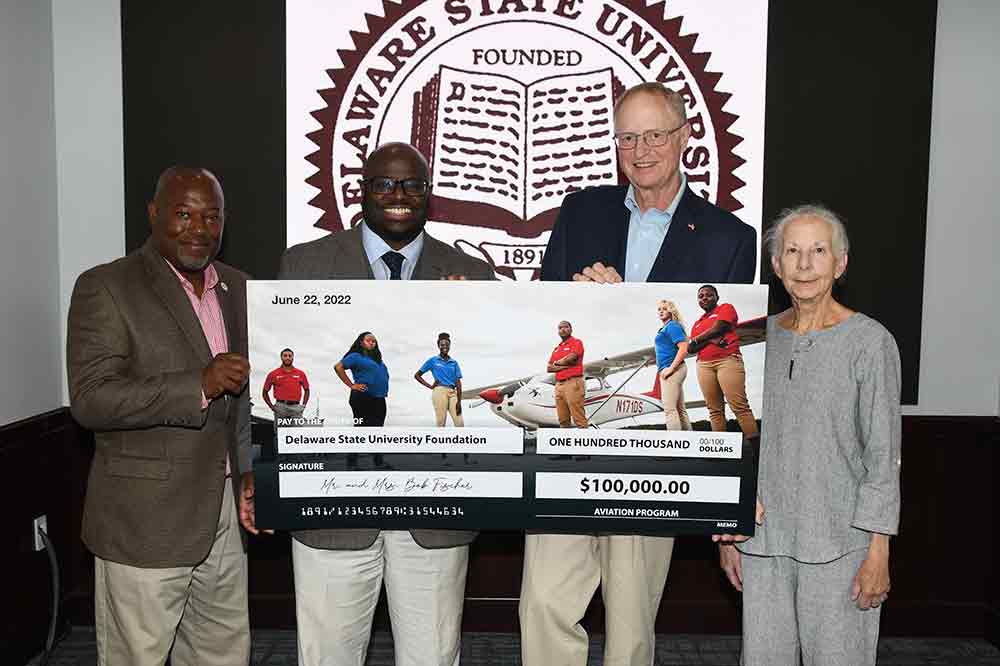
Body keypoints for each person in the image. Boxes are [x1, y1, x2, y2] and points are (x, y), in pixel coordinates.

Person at [242, 142, 493, 666]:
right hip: (330, 508)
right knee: (328, 655)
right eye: (384, 184)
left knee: (432, 657)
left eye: (412, 185)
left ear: (429, 195)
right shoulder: (303, 265)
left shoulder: (471, 274)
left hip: (435, 509)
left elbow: (482, 380)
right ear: (363, 191)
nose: (398, 196)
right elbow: (271, 369)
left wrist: (473, 312)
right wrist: (259, 472)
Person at [66, 167, 252, 665]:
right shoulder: (106, 286)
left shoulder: (237, 287)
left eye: (211, 216)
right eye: (184, 214)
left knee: (223, 655)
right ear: (154, 214)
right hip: (143, 522)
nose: (199, 228)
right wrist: (197, 384)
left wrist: (250, 474)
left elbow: (242, 404)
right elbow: (91, 399)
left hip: (223, 517)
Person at [715, 205, 901, 666]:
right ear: (775, 266)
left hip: (842, 547)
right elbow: (737, 442)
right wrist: (729, 526)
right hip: (762, 543)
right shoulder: (754, 341)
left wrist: (879, 550)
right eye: (792, 251)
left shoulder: (870, 342)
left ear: (840, 263)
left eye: (818, 251)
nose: (804, 264)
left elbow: (884, 455)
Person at [540, 81, 757, 284]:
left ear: (683, 137)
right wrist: (577, 302)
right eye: (628, 138)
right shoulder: (579, 214)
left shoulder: (730, 242)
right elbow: (545, 312)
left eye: (654, 136)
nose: (640, 151)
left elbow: (723, 324)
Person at [688, 285, 758, 436]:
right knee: (714, 410)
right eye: (701, 296)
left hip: (727, 360)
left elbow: (720, 327)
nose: (704, 298)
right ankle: (719, 451)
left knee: (739, 406)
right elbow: (691, 349)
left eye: (709, 295)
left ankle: (756, 449)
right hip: (703, 365)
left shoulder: (725, 308)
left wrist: (698, 339)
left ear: (717, 297)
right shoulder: (697, 323)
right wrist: (711, 340)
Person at [335, 332, 389, 427]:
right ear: (361, 342)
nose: (372, 343)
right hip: (363, 396)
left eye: (374, 341)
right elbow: (338, 367)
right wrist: (352, 385)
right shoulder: (355, 356)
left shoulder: (377, 359)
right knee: (363, 430)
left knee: (378, 431)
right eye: (368, 340)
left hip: (379, 398)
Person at [654, 299, 691, 431]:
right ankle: (688, 441)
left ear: (671, 311)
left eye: (664, 309)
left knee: (670, 410)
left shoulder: (672, 326)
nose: (661, 311)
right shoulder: (665, 328)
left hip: (673, 370)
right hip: (673, 369)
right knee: (680, 409)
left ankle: (674, 444)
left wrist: (671, 368)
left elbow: (683, 348)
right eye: (659, 309)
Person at [414, 332, 464, 427]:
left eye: (447, 344)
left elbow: (458, 383)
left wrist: (459, 401)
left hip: (453, 392)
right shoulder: (433, 360)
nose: (444, 346)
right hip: (439, 391)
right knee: (441, 422)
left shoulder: (454, 363)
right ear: (438, 346)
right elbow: (417, 375)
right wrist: (430, 386)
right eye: (442, 344)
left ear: (450, 346)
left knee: (460, 423)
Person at [547, 320, 588, 428]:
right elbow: (549, 368)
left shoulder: (577, 342)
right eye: (560, 328)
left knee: (578, 417)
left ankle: (585, 441)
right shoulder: (557, 348)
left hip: (573, 382)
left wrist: (558, 363)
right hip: (559, 385)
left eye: (565, 327)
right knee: (563, 419)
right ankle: (565, 444)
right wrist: (564, 366)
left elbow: (572, 358)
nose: (563, 329)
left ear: (571, 329)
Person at [262, 347, 310, 419]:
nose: (287, 358)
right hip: (280, 408)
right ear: (281, 358)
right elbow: (265, 392)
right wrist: (271, 407)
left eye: (290, 356)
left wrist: (303, 405)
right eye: (285, 356)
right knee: (280, 430)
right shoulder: (273, 374)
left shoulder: (300, 373)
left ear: (293, 358)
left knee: (297, 430)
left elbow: (307, 390)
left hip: (296, 408)